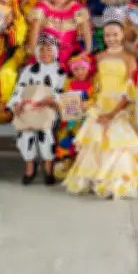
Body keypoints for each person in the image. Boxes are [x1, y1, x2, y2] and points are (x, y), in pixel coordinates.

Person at [64, 7, 138, 199]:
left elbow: (129, 92)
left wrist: (112, 114)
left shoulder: (129, 58)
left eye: (115, 34)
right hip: (100, 104)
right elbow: (94, 84)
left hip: (119, 107)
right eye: (107, 35)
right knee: (95, 139)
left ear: (122, 35)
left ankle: (119, 179)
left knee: (119, 143)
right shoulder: (99, 57)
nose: (111, 38)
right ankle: (96, 176)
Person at [8, 33, 67, 185]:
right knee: (25, 133)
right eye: (41, 50)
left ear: (55, 51)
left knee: (45, 132)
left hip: (49, 110)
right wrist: (17, 102)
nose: (45, 53)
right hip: (29, 108)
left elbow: (63, 92)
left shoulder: (60, 71)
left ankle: (48, 166)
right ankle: (30, 165)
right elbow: (19, 88)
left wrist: (52, 99)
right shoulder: (29, 70)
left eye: (49, 50)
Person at [27, 0, 92, 68]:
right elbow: (35, 29)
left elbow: (86, 30)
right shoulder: (43, 5)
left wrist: (88, 50)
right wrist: (34, 51)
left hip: (69, 53)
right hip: (46, 53)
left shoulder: (76, 7)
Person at [53, 52, 94, 180]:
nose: (80, 72)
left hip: (86, 118)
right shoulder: (68, 83)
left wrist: (89, 103)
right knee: (67, 139)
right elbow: (63, 98)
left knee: (82, 141)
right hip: (71, 118)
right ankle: (67, 162)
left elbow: (96, 99)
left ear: (88, 68)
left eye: (83, 68)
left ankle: (82, 165)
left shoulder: (92, 83)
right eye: (76, 69)